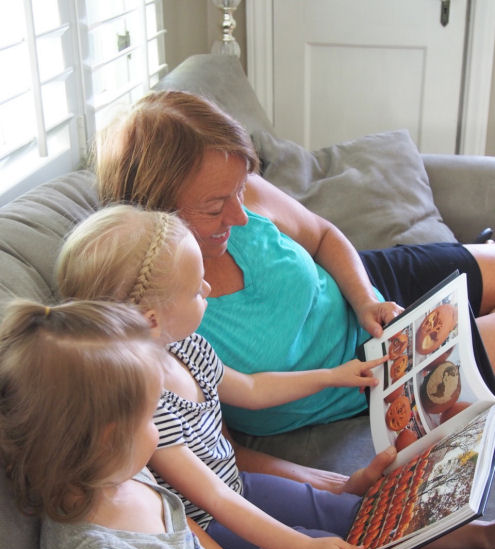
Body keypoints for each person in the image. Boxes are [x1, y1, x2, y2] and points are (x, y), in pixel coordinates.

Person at [53, 205, 495, 549]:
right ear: (150, 318)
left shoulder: (182, 345)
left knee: (353, 511)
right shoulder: (141, 408)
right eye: (195, 289)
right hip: (217, 526)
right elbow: (214, 500)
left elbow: (251, 388)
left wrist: (333, 375)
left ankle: (478, 532)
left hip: (240, 486)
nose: (209, 288)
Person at [94, 90, 495, 453]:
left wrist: (365, 300)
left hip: (368, 289)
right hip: (375, 369)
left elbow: (321, 236)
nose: (240, 216)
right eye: (215, 208)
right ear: (155, 213)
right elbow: (221, 454)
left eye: (239, 191)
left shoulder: (233, 188)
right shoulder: (160, 311)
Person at [0, 299, 328, 549]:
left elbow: (179, 524)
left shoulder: (120, 472)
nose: (159, 427)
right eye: (150, 417)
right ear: (111, 438)